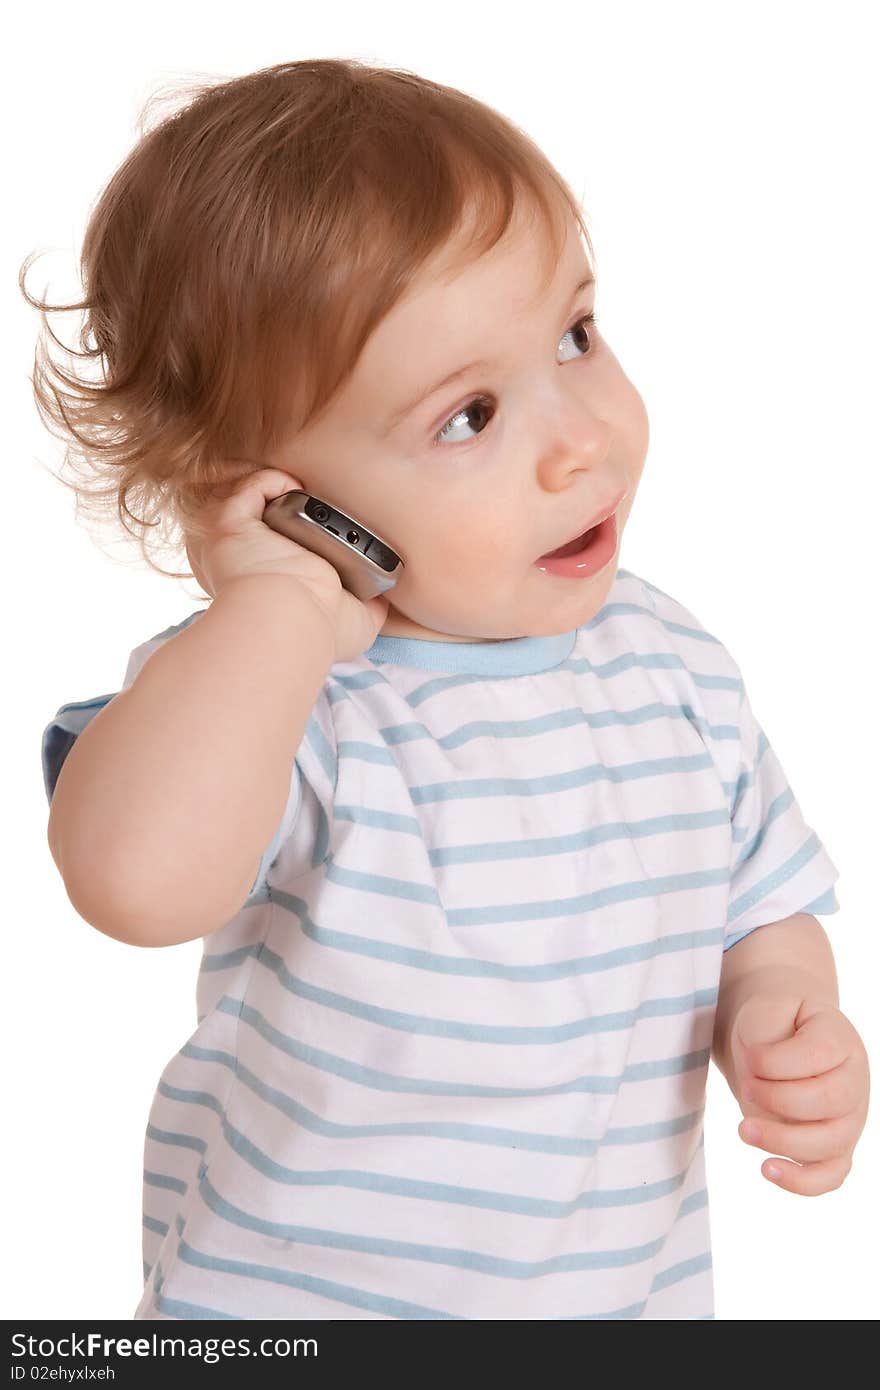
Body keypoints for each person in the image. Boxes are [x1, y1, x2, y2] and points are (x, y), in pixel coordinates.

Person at [32, 57, 868, 1321]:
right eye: (468, 414)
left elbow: (756, 900)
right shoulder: (279, 695)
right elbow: (135, 881)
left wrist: (784, 1007)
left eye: (575, 335)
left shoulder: (672, 666)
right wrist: (272, 608)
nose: (580, 438)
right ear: (277, 494)